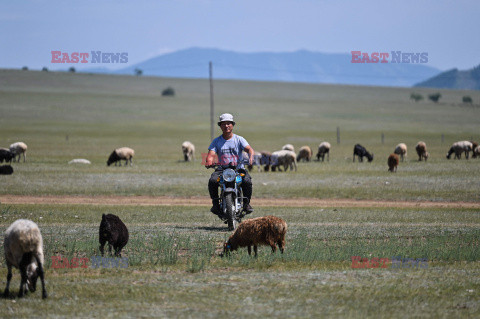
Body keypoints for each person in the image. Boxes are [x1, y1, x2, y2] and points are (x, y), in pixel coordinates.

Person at [205, 113, 255, 216]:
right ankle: (215, 205)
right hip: (222, 169)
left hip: (238, 169)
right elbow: (211, 154)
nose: (226, 126)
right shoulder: (216, 141)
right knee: (213, 180)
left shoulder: (239, 139)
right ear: (220, 126)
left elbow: (249, 149)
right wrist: (209, 161)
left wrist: (251, 158)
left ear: (232, 125)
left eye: (228, 123)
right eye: (223, 124)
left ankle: (246, 204)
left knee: (247, 181)